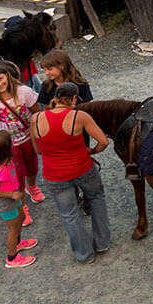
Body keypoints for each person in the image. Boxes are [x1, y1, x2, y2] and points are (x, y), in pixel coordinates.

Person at [32, 83, 111, 264]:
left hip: (54, 176)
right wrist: (91, 151)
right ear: (75, 98)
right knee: (97, 198)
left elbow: (37, 150)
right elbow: (104, 141)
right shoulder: (79, 116)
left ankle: (84, 255)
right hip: (83, 168)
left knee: (69, 214)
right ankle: (101, 243)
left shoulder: (36, 119)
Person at [0, 62, 43, 210]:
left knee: (32, 165)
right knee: (17, 173)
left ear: (7, 76)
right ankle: (22, 206)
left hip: (27, 136)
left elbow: (36, 112)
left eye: (0, 79)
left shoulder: (24, 91)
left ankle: (32, 186)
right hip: (8, 143)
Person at [0, 131, 38, 268]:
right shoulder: (2, 169)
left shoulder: (6, 161)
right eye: (10, 141)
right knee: (13, 229)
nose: (13, 141)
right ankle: (12, 258)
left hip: (13, 198)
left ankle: (18, 243)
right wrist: (12, 195)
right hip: (6, 202)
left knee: (20, 219)